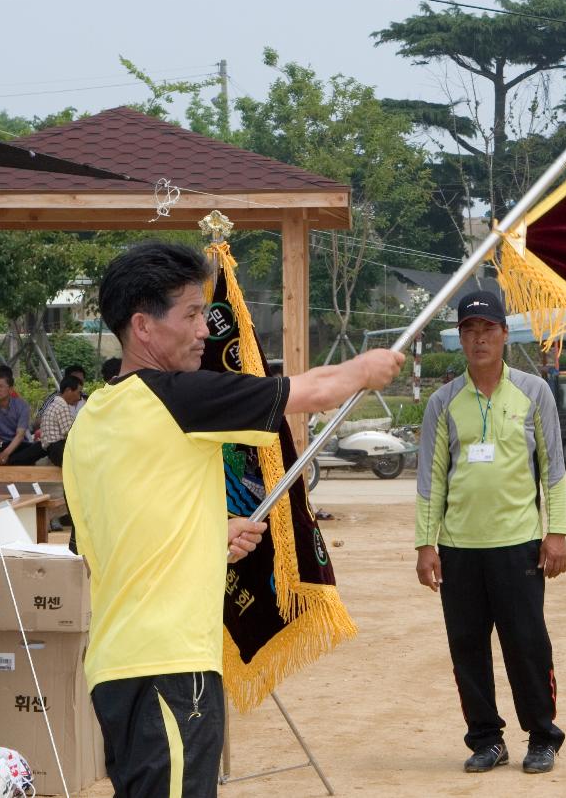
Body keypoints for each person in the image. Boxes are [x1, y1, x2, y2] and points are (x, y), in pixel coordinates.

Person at [63, 242, 402, 797]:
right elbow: (310, 390)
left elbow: (123, 532)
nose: (205, 330)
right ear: (143, 326)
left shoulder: (93, 420)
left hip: (119, 669)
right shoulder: (175, 398)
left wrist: (210, 533)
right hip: (171, 669)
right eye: (192, 314)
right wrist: (365, 368)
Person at [415, 290, 566, 776]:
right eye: (469, 330)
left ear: (504, 334)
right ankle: (486, 738)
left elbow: (554, 469)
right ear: (460, 339)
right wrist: (426, 544)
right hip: (459, 550)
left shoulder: (533, 392)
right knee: (467, 647)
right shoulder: (443, 402)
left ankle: (542, 737)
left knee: (526, 643)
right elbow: (431, 477)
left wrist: (557, 532)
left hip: (519, 544)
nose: (479, 338)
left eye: (487, 329)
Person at [0, 370, 44, 465]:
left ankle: (6, 461)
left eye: (0, 386)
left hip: (16, 445)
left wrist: (5, 453)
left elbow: (20, 435)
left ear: (11, 389)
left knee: (40, 446)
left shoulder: (22, 406)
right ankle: (9, 461)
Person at [39, 375, 83, 466]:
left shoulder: (55, 404)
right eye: (78, 393)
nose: (79, 398)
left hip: (52, 449)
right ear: (68, 390)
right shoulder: (62, 406)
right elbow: (70, 433)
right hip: (58, 449)